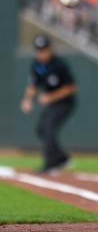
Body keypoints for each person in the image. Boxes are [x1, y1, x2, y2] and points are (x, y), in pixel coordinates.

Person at [20, 36, 77, 173]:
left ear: (50, 49)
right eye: (39, 51)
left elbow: (71, 88)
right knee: (41, 130)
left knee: (48, 129)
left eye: (44, 50)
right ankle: (62, 158)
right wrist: (27, 100)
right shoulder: (36, 65)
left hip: (65, 103)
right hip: (51, 104)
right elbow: (33, 85)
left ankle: (51, 164)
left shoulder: (59, 64)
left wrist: (50, 97)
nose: (41, 54)